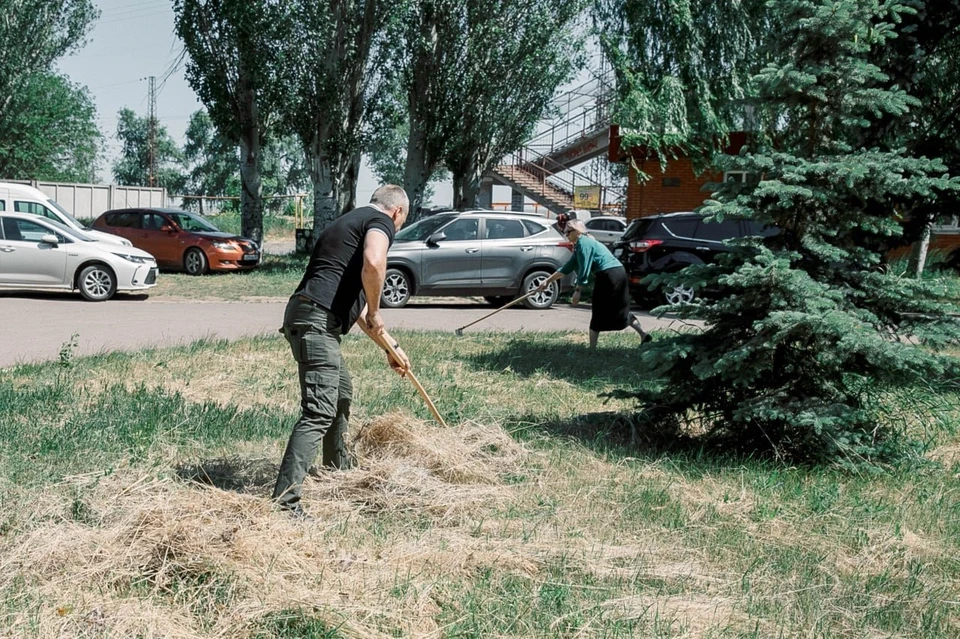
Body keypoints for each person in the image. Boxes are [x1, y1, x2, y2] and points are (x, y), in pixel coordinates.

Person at [272, 184, 412, 519]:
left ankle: (337, 468)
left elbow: (360, 313)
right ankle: (285, 502)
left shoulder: (348, 222)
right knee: (319, 411)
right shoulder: (380, 225)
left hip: (310, 315)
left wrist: (390, 348)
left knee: (341, 393)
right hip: (316, 321)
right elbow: (374, 262)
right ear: (397, 212)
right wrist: (379, 310)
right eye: (401, 221)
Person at [537, 219, 651, 348]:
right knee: (616, 309)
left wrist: (577, 291)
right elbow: (567, 267)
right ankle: (644, 335)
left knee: (599, 309)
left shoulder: (583, 243)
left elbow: (584, 268)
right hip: (615, 273)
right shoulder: (582, 243)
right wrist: (548, 281)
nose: (566, 235)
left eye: (568, 232)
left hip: (609, 275)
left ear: (576, 231)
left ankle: (592, 349)